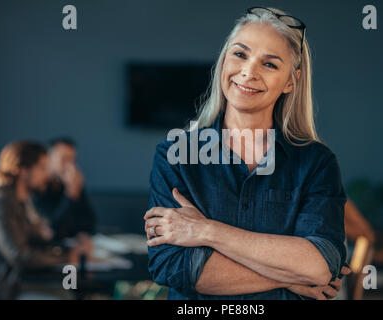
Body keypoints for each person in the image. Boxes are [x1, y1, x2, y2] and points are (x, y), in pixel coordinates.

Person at [144, 7, 351, 300]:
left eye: (269, 64)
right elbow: (175, 267)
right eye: (240, 54)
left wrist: (207, 231)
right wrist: (293, 278)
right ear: (224, 60)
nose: (248, 72)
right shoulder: (175, 156)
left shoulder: (316, 163)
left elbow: (319, 264)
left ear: (290, 81)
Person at [0, 141, 89, 299]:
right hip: (12, 286)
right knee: (67, 293)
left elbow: (43, 236)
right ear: (23, 171)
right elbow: (20, 256)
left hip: (27, 278)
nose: (47, 174)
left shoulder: (23, 201)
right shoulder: (3, 202)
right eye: (42, 168)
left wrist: (72, 249)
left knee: (72, 289)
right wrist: (67, 257)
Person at [32, 137, 96, 240]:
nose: (70, 165)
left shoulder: (71, 183)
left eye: (72, 159)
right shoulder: (38, 186)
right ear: (48, 158)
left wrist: (83, 235)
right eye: (64, 159)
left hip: (73, 247)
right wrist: (71, 194)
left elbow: (90, 223)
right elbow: (52, 229)